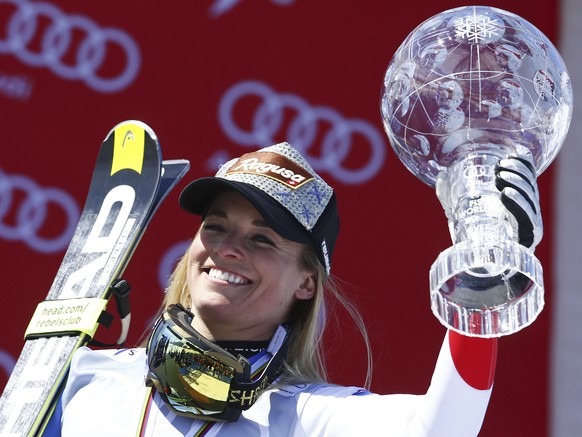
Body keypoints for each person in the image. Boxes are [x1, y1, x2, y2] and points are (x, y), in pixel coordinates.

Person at [52, 142, 541, 436]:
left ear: (306, 283)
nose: (228, 248)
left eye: (262, 238)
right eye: (217, 226)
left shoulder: (303, 417)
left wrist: (483, 281)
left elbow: (443, 429)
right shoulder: (82, 372)